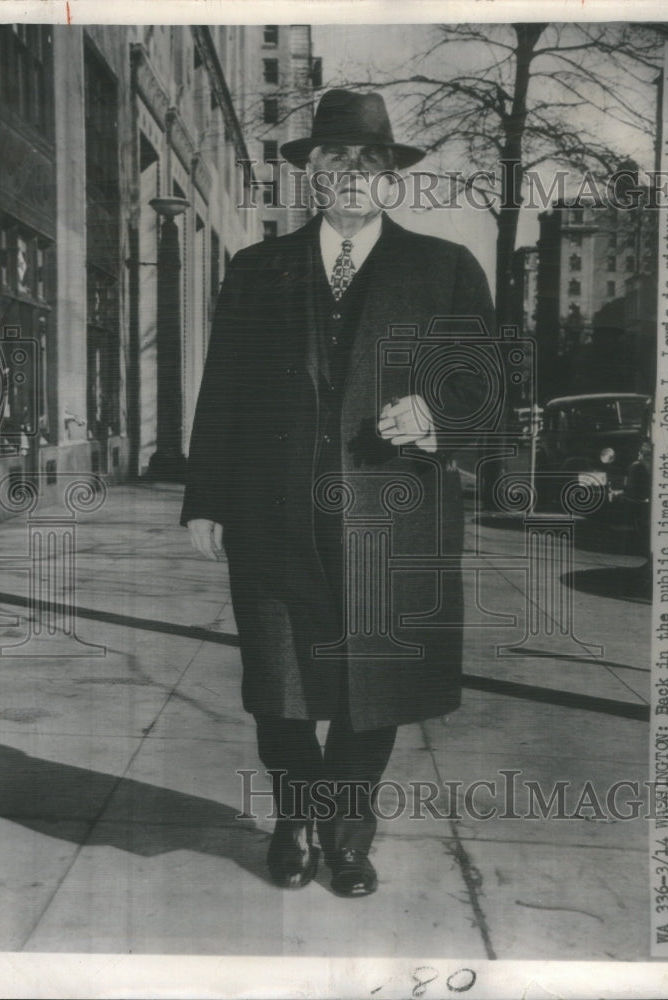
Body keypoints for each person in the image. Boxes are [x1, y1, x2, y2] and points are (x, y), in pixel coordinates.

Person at [181, 89, 495, 897]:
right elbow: (223, 390)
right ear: (310, 176)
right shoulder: (258, 270)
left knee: (374, 690)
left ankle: (346, 836)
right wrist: (206, 498)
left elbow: (484, 388)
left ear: (389, 176)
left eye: (368, 161)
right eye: (334, 160)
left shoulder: (444, 269)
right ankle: (296, 817)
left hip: (396, 517)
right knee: (278, 685)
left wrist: (434, 416)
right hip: (271, 514)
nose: (352, 175)